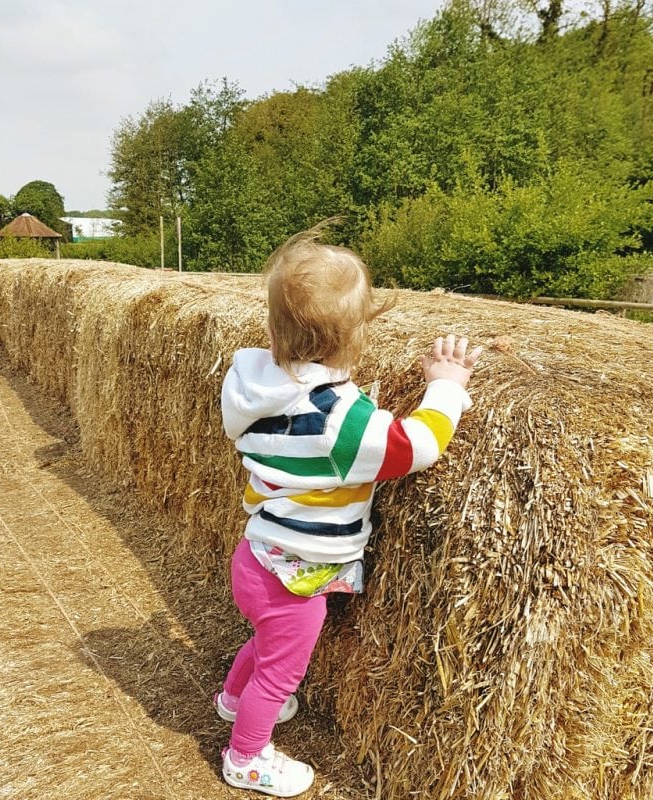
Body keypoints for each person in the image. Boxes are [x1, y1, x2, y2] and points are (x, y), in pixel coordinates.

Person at [217, 224, 483, 797]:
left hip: (258, 556)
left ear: (273, 328)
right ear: (355, 339)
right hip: (294, 578)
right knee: (281, 671)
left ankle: (232, 701)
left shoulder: (253, 389)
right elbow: (417, 446)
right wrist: (446, 388)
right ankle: (246, 757)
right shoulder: (338, 420)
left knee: (264, 645)